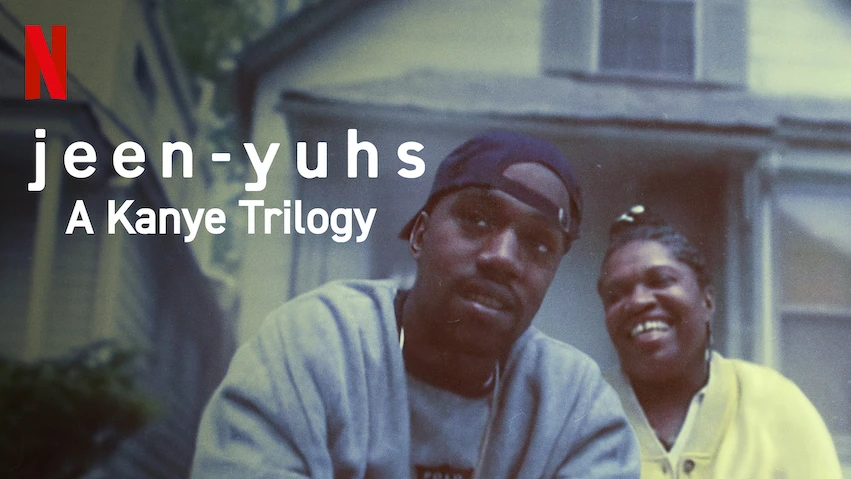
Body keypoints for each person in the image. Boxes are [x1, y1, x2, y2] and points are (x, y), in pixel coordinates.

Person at [191, 131, 641, 478]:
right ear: (421, 235)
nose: (502, 258)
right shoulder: (315, 345)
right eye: (476, 219)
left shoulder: (575, 406)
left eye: (539, 244)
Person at [597, 205, 843, 478]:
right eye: (615, 295)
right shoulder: (586, 409)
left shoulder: (775, 403)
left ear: (707, 301)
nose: (638, 301)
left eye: (661, 280)